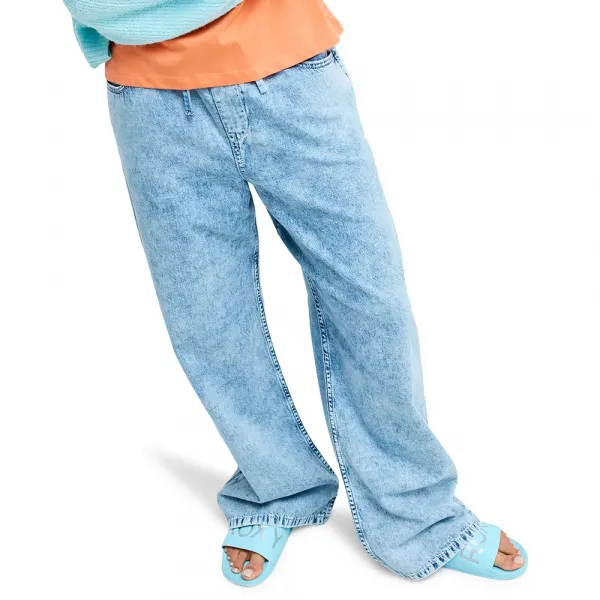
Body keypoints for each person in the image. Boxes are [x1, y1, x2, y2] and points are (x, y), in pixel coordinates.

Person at [64, 0, 527, 587]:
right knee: (207, 320)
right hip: (151, 102)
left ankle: (416, 510)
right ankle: (274, 485)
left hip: (292, 74)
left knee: (370, 299)